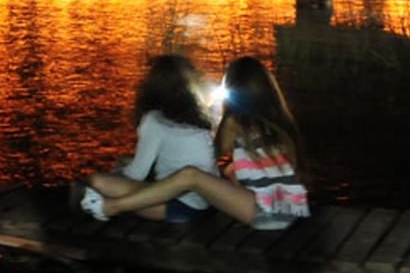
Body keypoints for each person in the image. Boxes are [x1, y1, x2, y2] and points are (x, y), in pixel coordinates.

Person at [78, 56, 309, 229]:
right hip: (290, 209)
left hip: (266, 212)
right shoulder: (279, 120)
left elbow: (211, 156)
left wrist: (210, 112)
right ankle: (114, 200)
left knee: (191, 176)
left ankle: (111, 207)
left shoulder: (235, 122)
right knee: (216, 172)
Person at [74, 55, 218, 223]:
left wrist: (116, 175)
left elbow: (137, 174)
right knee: (123, 161)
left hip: (176, 206)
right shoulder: (197, 117)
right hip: (205, 203)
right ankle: (99, 201)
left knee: (96, 181)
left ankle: (99, 203)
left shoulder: (155, 119)